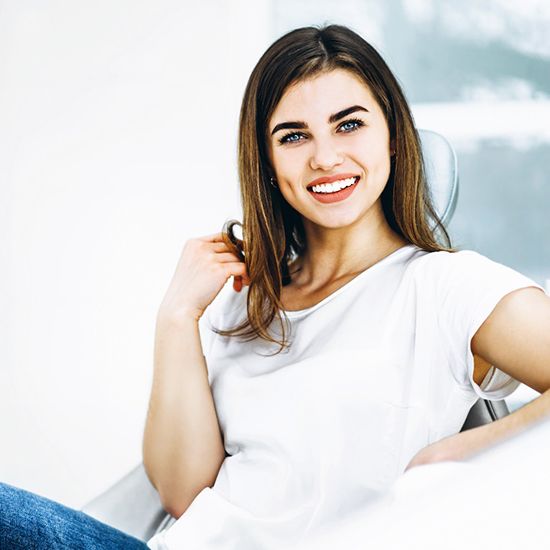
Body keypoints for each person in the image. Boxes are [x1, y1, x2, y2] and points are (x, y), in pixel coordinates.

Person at [1, 23, 549, 550]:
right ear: (265, 160)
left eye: (350, 124)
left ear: (394, 136)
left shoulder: (446, 288)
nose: (325, 156)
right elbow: (182, 493)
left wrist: (457, 462)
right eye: (293, 136)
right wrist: (177, 317)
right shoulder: (245, 300)